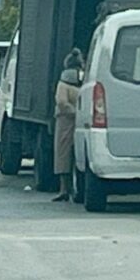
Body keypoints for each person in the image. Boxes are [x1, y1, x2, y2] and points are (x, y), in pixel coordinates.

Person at [52, 48, 84, 202]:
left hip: (64, 121)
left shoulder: (63, 82)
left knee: (63, 154)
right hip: (82, 120)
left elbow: (61, 101)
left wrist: (71, 111)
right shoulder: (84, 80)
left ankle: (64, 188)